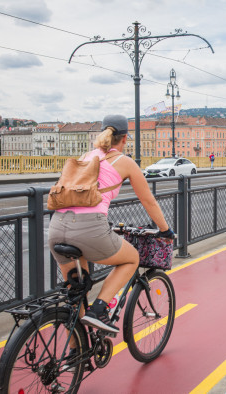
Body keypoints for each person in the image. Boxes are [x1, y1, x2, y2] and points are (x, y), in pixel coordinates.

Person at [48, 114, 173, 333]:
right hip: (89, 228)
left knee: (77, 297)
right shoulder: (124, 162)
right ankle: (100, 310)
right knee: (131, 258)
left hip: (57, 226)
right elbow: (148, 201)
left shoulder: (86, 156)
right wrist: (165, 230)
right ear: (125, 139)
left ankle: (75, 355)